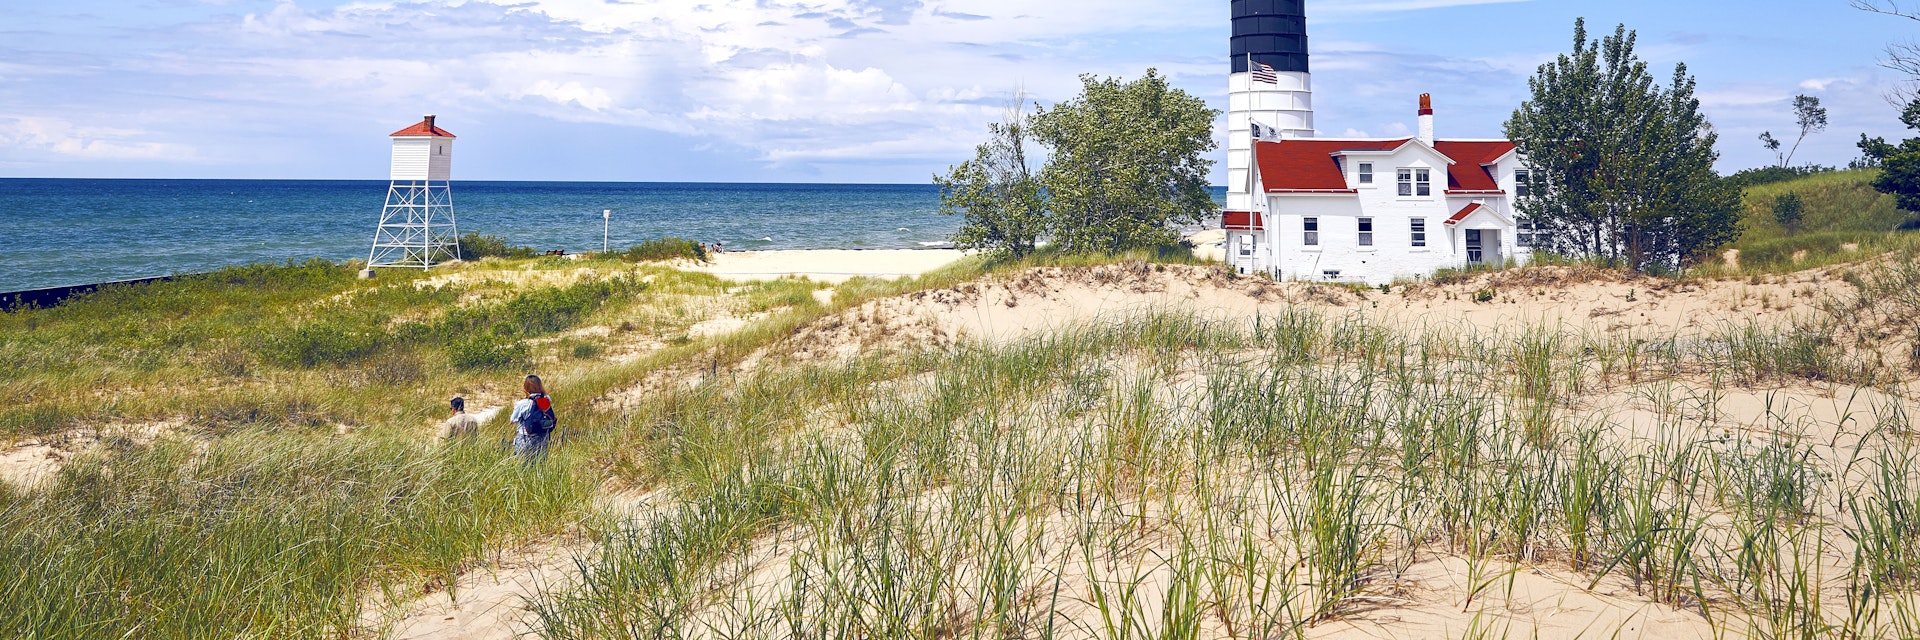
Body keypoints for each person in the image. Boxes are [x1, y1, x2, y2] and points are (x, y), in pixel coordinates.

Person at [509, 375, 558, 459]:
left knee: (523, 467)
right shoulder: (547, 399)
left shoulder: (522, 403)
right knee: (540, 466)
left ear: (525, 388)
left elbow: (512, 420)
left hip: (526, 440)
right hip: (543, 439)